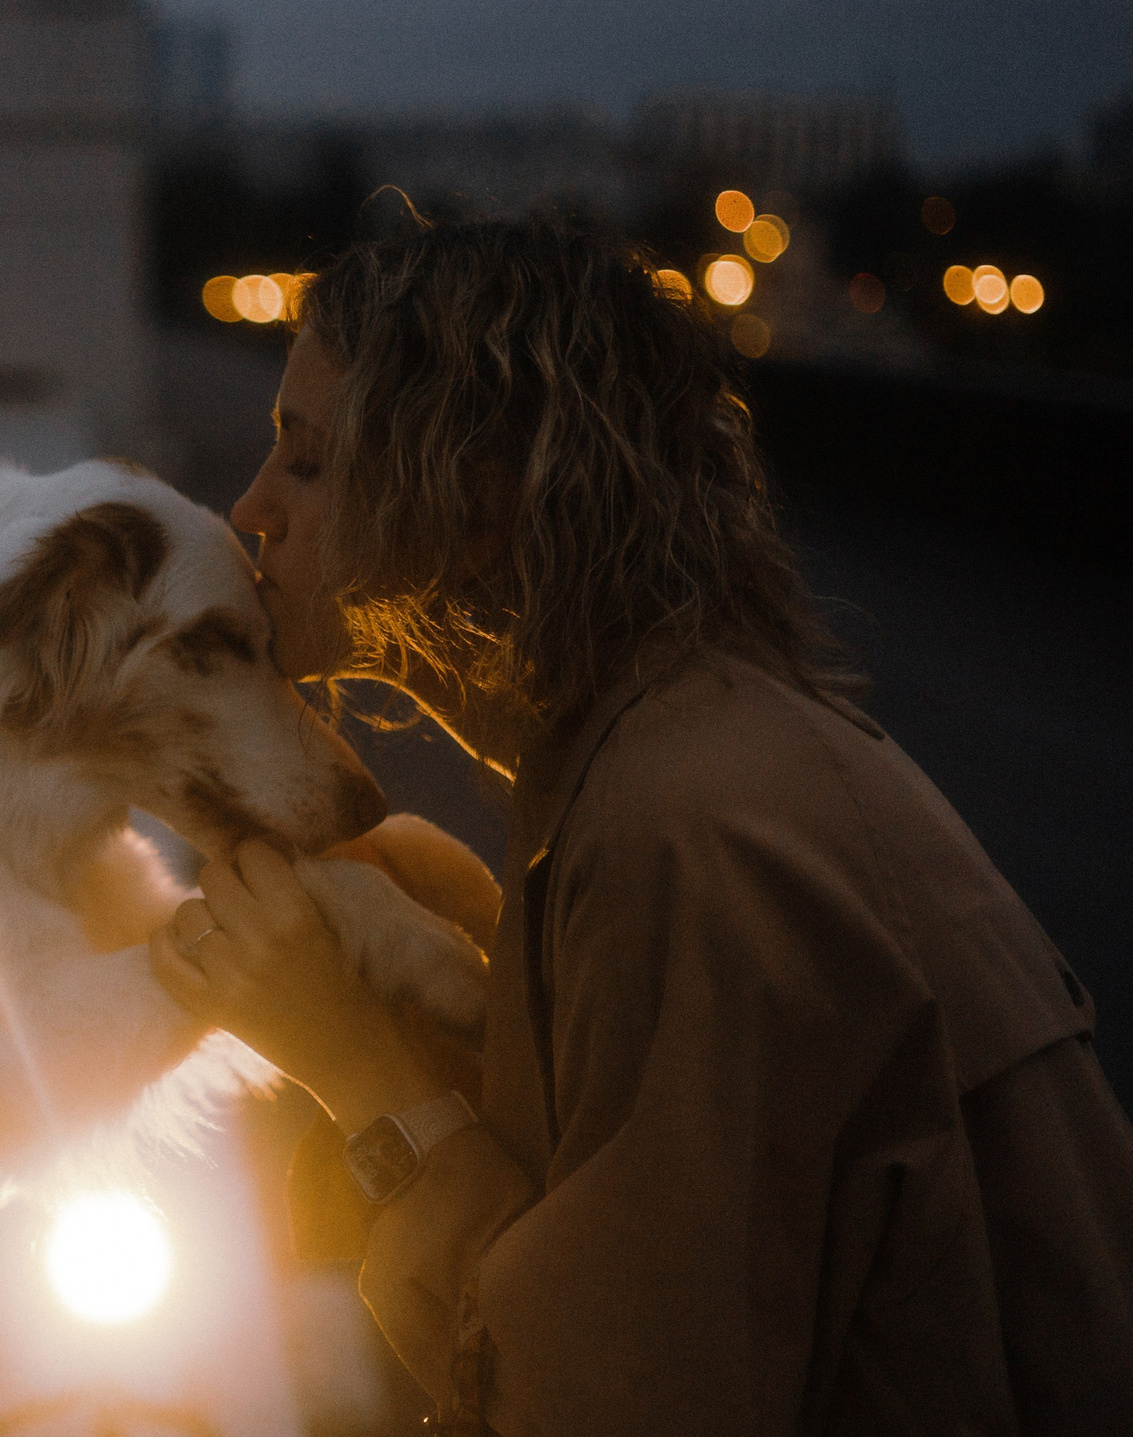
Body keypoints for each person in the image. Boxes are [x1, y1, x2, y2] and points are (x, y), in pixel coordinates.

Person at [146, 213, 1133, 1434]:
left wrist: (360, 1071)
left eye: (305, 461)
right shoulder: (695, 749)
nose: (250, 510)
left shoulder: (683, 831)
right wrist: (465, 993)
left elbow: (608, 1400)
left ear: (471, 496)